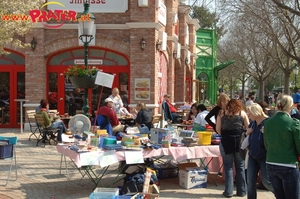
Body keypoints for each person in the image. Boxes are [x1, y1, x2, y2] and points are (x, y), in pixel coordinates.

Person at [264, 95, 300, 199]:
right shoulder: (293, 123)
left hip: (271, 162)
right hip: (288, 164)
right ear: (291, 106)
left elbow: (266, 144)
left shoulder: (268, 122)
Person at [216, 99, 249, 198]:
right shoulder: (242, 113)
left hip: (226, 141)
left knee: (228, 167)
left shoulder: (221, 113)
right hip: (239, 141)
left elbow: (218, 129)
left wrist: (224, 134)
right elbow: (248, 127)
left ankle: (228, 191)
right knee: (240, 166)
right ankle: (242, 191)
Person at [246, 103, 274, 199]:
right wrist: (247, 132)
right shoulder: (253, 123)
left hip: (264, 156)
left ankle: (281, 194)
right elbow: (249, 136)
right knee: (250, 181)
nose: (248, 115)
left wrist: (267, 133)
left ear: (256, 112)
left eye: (249, 113)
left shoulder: (268, 122)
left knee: (267, 181)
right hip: (252, 155)